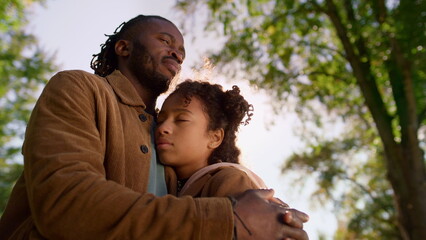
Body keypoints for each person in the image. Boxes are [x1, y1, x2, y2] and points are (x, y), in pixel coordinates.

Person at [0, 15, 309, 240]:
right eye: (165, 41)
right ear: (124, 48)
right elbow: (65, 204)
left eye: (181, 50)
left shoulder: (170, 149)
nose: (177, 52)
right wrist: (226, 219)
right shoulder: (79, 88)